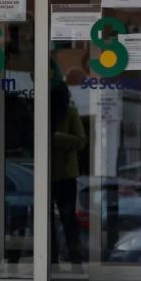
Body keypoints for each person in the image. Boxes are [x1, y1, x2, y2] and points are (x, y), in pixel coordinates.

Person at [50, 80, 86, 265]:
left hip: (65, 174)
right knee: (47, 219)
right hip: (45, 175)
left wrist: (57, 138)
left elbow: (81, 141)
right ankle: (51, 257)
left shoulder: (70, 111)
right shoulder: (42, 111)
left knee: (68, 217)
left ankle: (74, 256)